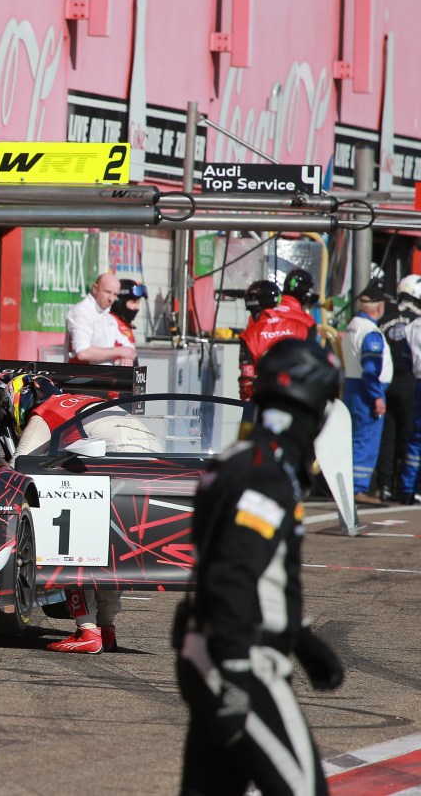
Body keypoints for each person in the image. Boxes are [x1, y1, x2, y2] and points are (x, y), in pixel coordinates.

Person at [177, 338, 345, 795]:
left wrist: (303, 640)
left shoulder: (240, 459)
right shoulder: (266, 472)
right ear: (311, 403)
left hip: (211, 650)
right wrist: (234, 673)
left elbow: (248, 566)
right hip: (238, 657)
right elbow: (232, 572)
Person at [0, 372, 123, 654]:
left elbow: (19, 466)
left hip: (111, 464)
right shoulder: (91, 401)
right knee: (112, 552)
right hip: (149, 469)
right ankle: (107, 628)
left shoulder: (47, 410)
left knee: (71, 545)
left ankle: (88, 630)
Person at [342, 284, 392, 502]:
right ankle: (358, 489)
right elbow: (371, 368)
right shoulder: (370, 331)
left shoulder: (351, 326)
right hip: (367, 391)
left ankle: (350, 486)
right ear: (379, 307)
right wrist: (377, 396)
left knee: (354, 438)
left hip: (352, 388)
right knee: (365, 440)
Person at [237, 275, 319, 401]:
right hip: (299, 397)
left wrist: (248, 404)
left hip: (267, 400)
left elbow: (246, 382)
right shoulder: (302, 327)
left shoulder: (249, 336)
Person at [377, 273, 421, 501]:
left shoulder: (385, 316)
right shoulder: (417, 321)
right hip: (410, 383)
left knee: (388, 434)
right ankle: (404, 487)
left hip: (385, 382)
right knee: (410, 435)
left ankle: (384, 485)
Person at [64, 273, 137, 366]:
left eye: (115, 294)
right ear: (95, 288)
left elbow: (130, 349)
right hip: (80, 378)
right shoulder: (81, 312)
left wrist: (127, 357)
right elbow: (82, 352)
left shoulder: (109, 317)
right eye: (107, 292)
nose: (111, 299)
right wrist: (119, 351)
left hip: (103, 378)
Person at [109, 279, 148, 348]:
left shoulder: (125, 324)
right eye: (133, 302)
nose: (137, 308)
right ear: (119, 302)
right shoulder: (110, 324)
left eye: (138, 303)